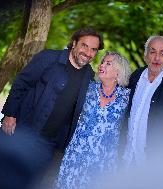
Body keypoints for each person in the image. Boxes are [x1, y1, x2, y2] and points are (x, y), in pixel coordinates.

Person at [0, 27, 104, 186]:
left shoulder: (89, 76)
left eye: (93, 49)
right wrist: (10, 115)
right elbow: (21, 83)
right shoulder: (48, 58)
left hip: (48, 144)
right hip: (22, 130)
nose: (88, 52)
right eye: (84, 46)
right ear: (74, 43)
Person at [54, 52, 131, 189]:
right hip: (76, 155)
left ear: (118, 71)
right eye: (102, 62)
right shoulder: (87, 89)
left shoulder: (126, 98)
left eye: (108, 63)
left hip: (103, 162)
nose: (102, 65)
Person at [121, 35, 163, 167]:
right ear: (145, 55)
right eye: (152, 52)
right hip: (127, 158)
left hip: (153, 162)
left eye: (162, 53)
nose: (157, 58)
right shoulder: (135, 77)